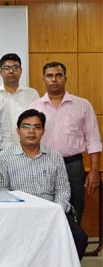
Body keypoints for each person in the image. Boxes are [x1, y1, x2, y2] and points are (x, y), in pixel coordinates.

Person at [0, 109, 88, 260]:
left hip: (53, 212)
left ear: (43, 131)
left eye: (37, 127)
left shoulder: (55, 156)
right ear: (18, 130)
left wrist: (57, 210)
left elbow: (63, 189)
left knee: (80, 239)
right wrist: (20, 212)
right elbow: (2, 191)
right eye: (26, 126)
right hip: (19, 214)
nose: (31, 131)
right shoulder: (4, 157)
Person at [30, 62, 101, 223]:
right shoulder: (34, 107)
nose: (54, 79)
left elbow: (93, 140)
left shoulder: (82, 105)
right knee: (45, 210)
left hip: (73, 165)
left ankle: (74, 246)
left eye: (58, 75)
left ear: (65, 78)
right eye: (49, 76)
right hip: (43, 164)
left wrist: (94, 170)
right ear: (43, 79)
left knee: (75, 208)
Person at [0, 53, 40, 143]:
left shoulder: (32, 94)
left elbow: (37, 123)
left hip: (26, 147)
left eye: (15, 67)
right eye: (6, 68)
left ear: (21, 70)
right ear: (0, 72)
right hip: (0, 149)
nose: (11, 71)